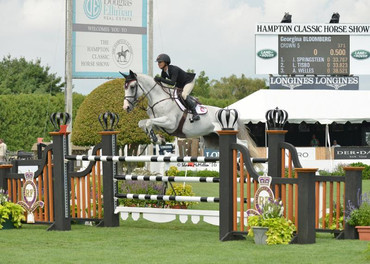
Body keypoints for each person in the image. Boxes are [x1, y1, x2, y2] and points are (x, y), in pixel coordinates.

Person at [154, 53, 200, 121]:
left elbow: (172, 83)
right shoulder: (163, 72)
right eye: (158, 62)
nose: (158, 64)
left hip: (188, 81)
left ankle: (195, 113)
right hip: (180, 83)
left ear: (166, 62)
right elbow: (163, 84)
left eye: (160, 62)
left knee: (184, 94)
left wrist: (160, 79)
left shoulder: (173, 69)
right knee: (174, 95)